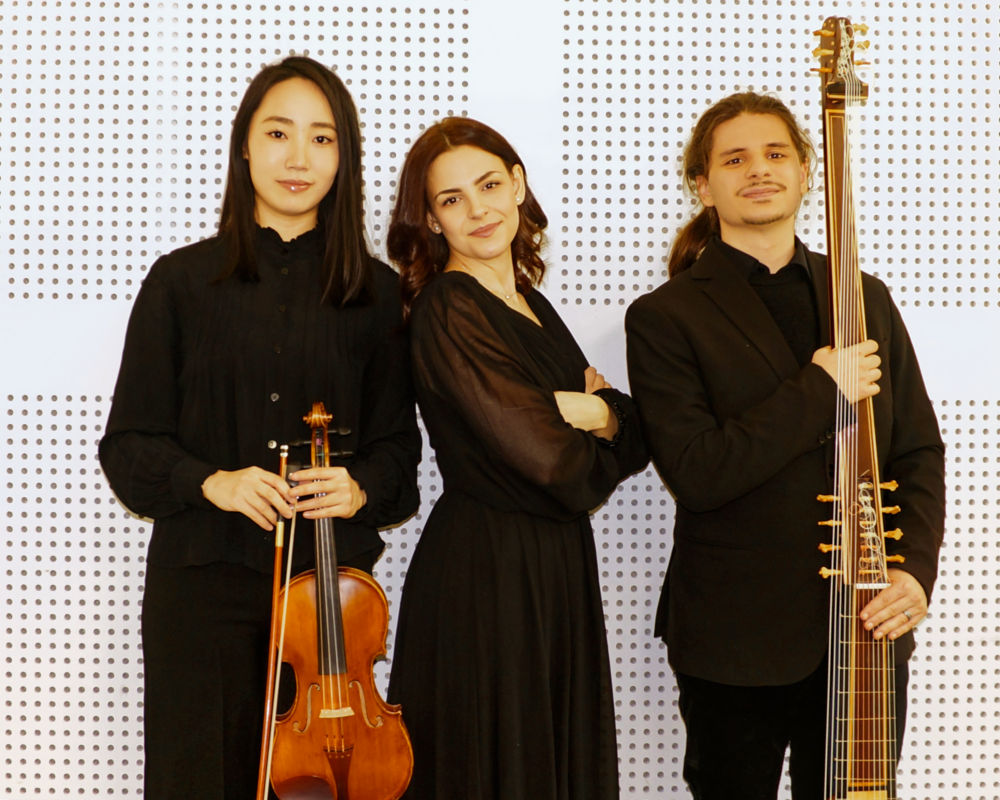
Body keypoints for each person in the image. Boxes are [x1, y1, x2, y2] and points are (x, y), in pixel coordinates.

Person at [98, 56, 420, 799]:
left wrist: (359, 486)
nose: (298, 157)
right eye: (278, 133)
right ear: (245, 145)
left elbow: (399, 455)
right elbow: (128, 446)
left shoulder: (376, 293)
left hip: (328, 600)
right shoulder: (179, 282)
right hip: (200, 585)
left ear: (344, 157)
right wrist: (212, 482)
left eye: (322, 138)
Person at [624, 92, 945, 799]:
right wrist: (820, 386)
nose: (759, 170)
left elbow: (918, 450)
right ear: (703, 185)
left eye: (775, 154)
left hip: (865, 623)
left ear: (805, 173)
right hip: (734, 636)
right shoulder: (665, 316)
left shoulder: (865, 297)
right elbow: (698, 471)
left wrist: (914, 571)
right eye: (734, 159)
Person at [384, 117, 648, 799]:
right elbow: (556, 465)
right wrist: (592, 415)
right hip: (486, 576)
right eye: (451, 199)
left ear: (518, 184)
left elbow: (636, 434)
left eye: (490, 185)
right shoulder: (447, 307)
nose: (478, 210)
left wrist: (594, 412)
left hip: (554, 568)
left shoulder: (534, 306)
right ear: (432, 220)